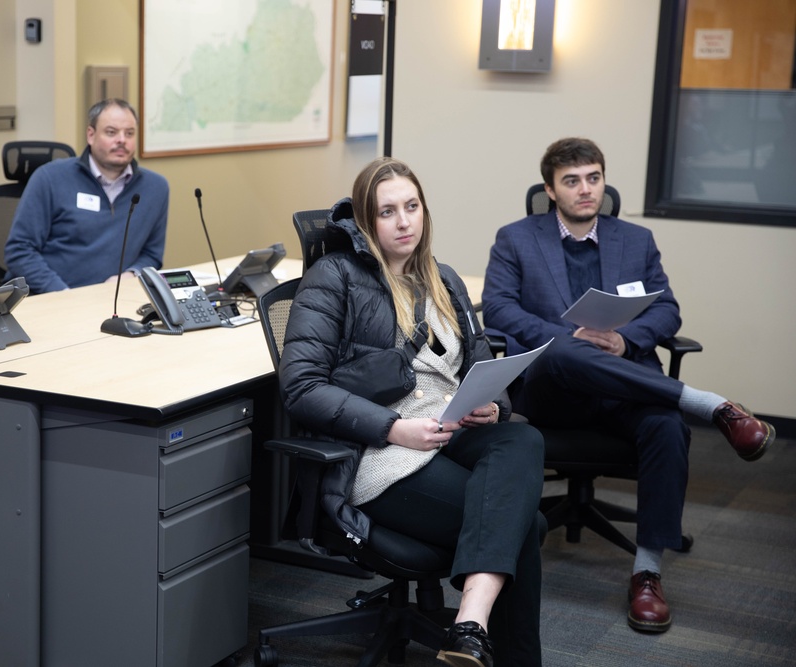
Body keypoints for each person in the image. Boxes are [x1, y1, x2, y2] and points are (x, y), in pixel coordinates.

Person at [482, 137, 776, 634]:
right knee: (565, 351)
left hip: (625, 390)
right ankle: (708, 405)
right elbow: (499, 309)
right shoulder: (515, 238)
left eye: (593, 178)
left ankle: (647, 572)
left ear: (604, 182)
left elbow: (667, 310)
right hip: (554, 393)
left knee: (664, 425)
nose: (585, 190)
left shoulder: (634, 239)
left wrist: (624, 338)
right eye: (571, 181)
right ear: (550, 190)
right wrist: (568, 337)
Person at [280, 157, 545, 667]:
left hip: (450, 430)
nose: (404, 222)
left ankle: (470, 624)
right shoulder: (334, 277)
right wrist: (393, 428)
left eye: (411, 206)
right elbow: (300, 387)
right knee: (525, 525)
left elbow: (481, 356)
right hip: (383, 453)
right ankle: (477, 630)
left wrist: (493, 404)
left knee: (523, 439)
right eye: (387, 212)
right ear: (364, 221)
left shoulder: (443, 278)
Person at [3, 98, 170, 293]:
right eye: (111, 132)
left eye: (129, 133)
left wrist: (131, 275)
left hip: (115, 300)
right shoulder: (49, 178)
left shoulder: (156, 187)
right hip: (51, 298)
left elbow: (152, 254)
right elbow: (20, 250)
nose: (122, 140)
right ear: (91, 135)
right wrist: (63, 294)